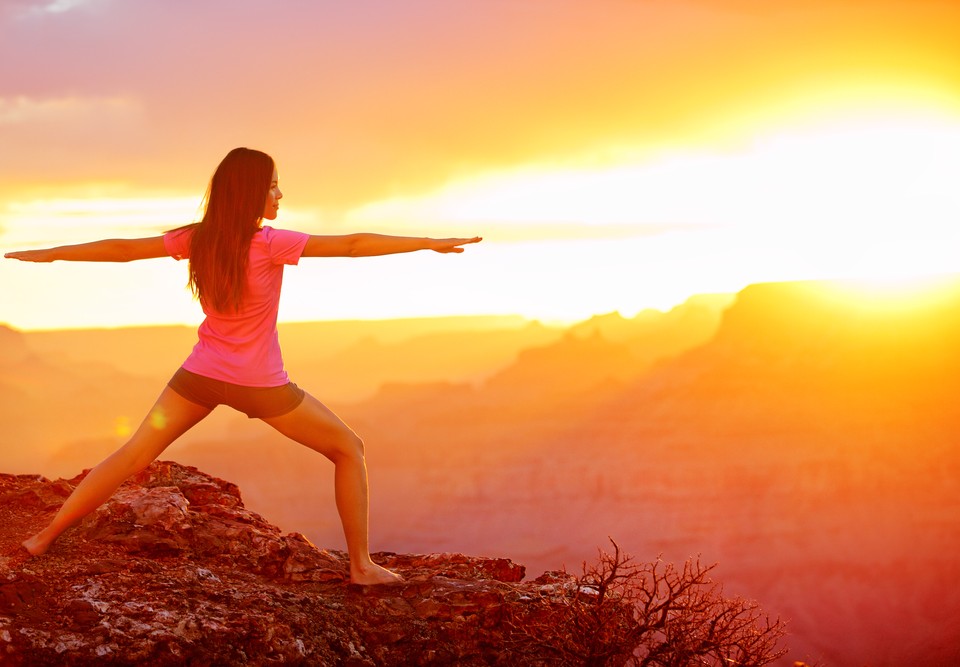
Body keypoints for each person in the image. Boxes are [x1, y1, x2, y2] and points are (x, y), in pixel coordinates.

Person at [4, 147, 481, 585]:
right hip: (260, 386)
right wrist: (427, 242)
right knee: (348, 448)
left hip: (200, 376)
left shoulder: (197, 238)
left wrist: (52, 253)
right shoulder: (270, 242)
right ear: (251, 191)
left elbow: (123, 249)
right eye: (273, 185)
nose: (280, 194)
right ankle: (361, 566)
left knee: (131, 455)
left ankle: (43, 538)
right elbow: (353, 245)